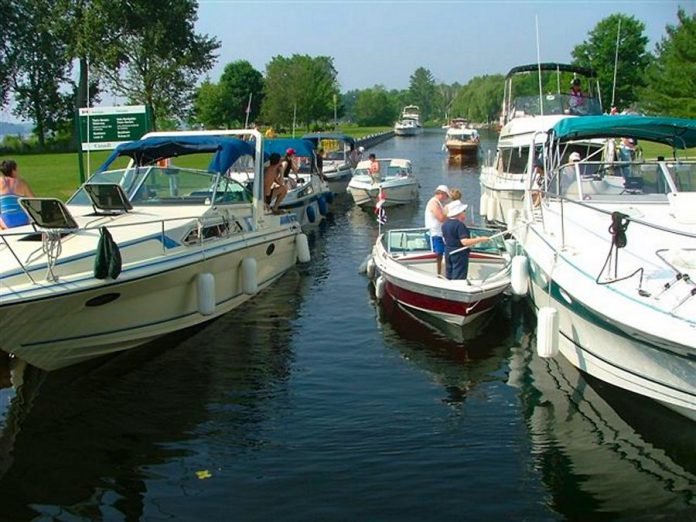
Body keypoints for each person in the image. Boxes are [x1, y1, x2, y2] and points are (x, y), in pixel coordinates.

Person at [442, 200, 490, 280]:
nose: (464, 212)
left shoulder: (445, 224)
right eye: (463, 211)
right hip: (459, 254)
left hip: (448, 252)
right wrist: (480, 239)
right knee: (458, 278)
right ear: (459, 212)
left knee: (449, 276)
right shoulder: (459, 225)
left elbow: (445, 239)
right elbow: (464, 242)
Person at [0, 159, 35, 229]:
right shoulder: (21, 183)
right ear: (13, 170)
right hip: (22, 220)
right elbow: (34, 200)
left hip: (6, 222)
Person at [424, 184, 450, 276]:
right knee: (438, 255)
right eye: (446, 196)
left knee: (440, 254)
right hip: (434, 234)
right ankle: (437, 274)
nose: (446, 198)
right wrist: (450, 217)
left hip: (438, 233)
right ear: (442, 194)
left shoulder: (437, 203)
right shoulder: (434, 203)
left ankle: (439, 273)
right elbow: (441, 218)